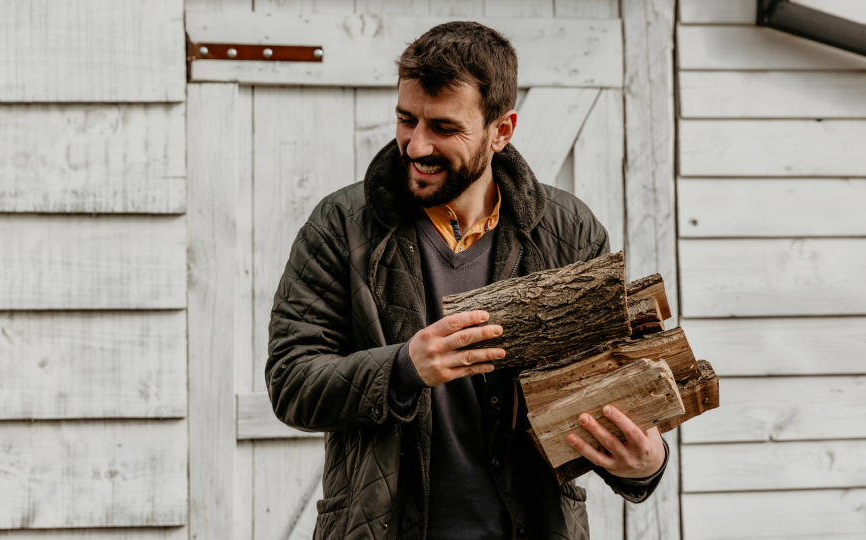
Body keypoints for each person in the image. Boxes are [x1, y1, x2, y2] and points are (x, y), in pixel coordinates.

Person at [266, 21, 668, 540]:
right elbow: (291, 382)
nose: (415, 146)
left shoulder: (570, 232)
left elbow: (612, 386)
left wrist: (643, 466)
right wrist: (403, 368)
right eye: (406, 120)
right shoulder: (341, 225)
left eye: (443, 128)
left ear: (502, 130)